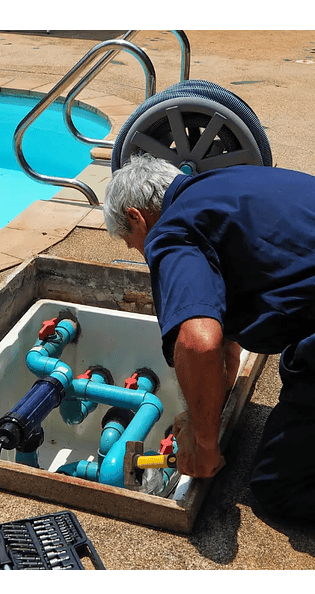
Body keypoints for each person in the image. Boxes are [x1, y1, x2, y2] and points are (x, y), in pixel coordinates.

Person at [103, 152, 315, 522]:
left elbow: (198, 340)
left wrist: (203, 443)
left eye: (131, 241)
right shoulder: (223, 186)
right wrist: (207, 411)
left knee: (278, 489)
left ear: (137, 217)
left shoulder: (171, 230)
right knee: (296, 361)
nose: (139, 252)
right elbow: (226, 325)